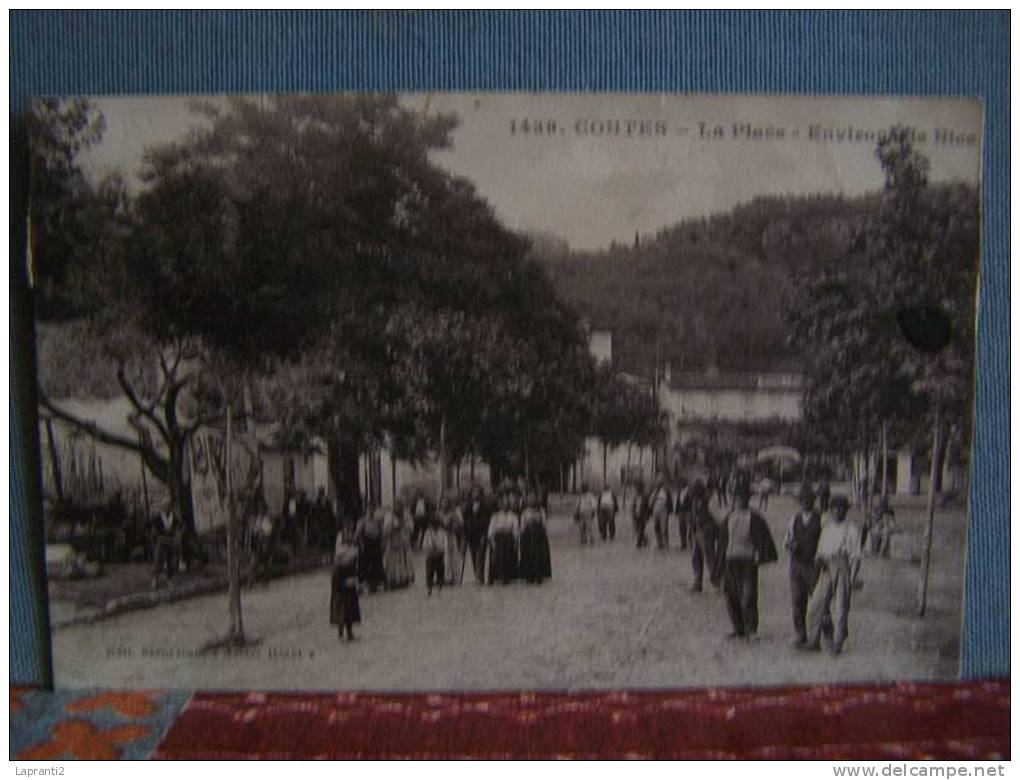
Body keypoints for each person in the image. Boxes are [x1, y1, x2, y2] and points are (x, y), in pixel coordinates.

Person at [717, 483, 778, 640]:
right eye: (736, 497)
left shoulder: (754, 517)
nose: (739, 500)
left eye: (743, 497)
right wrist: (720, 565)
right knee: (731, 595)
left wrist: (761, 555)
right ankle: (738, 628)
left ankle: (751, 629)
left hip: (747, 561)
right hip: (730, 560)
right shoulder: (728, 517)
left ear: (748, 498)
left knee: (748, 595)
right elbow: (722, 542)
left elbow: (764, 540)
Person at [803, 496, 861, 654]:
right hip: (826, 568)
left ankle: (838, 642)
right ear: (830, 510)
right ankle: (813, 640)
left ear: (846, 510)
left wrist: (853, 576)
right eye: (834, 508)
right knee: (815, 604)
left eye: (841, 508)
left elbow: (856, 556)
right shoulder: (827, 528)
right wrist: (819, 562)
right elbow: (820, 551)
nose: (837, 511)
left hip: (842, 566)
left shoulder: (851, 529)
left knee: (841, 607)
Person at [783, 489, 822, 646]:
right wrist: (791, 546)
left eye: (809, 499)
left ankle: (817, 635)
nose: (806, 502)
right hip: (796, 565)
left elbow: (826, 541)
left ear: (813, 501)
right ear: (799, 502)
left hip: (814, 564)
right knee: (797, 600)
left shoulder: (821, 519)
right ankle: (800, 633)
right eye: (803, 500)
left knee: (818, 601)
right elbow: (786, 541)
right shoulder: (794, 519)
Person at [330, 529, 361, 642]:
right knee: (343, 607)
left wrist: (356, 580)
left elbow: (356, 567)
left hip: (350, 581)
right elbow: (337, 570)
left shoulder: (353, 550)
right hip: (342, 582)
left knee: (351, 606)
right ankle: (341, 632)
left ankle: (349, 631)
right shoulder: (341, 552)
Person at [689, 481, 720, 592]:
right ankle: (698, 582)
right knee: (696, 557)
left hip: (706, 532)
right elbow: (694, 516)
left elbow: (717, 517)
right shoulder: (695, 501)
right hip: (698, 531)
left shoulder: (708, 501)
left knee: (710, 557)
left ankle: (718, 582)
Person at [518, 492, 552, 584]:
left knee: (538, 555)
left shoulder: (541, 511)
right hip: (528, 536)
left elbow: (544, 524)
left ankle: (539, 575)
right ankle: (529, 575)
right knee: (528, 555)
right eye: (529, 499)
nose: (531, 501)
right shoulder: (525, 512)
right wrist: (521, 535)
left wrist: (544, 534)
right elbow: (522, 525)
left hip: (538, 536)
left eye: (533, 498)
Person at [382, 499, 414, 589]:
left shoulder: (406, 515)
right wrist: (393, 527)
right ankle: (393, 579)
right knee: (392, 560)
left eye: (400, 505)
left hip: (403, 539)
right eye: (396, 505)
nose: (398, 507)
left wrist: (405, 527)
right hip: (392, 540)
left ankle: (404, 578)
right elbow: (386, 529)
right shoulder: (389, 516)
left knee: (404, 559)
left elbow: (411, 526)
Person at [462, 486, 491, 584]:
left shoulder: (485, 507)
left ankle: (480, 576)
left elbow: (487, 523)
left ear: (481, 494)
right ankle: (477, 575)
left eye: (477, 492)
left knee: (480, 556)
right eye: (474, 492)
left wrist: (485, 535)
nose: (476, 494)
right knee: (474, 556)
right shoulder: (468, 508)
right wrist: (465, 536)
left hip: (481, 535)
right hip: (471, 536)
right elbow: (465, 523)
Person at [488, 493, 519, 584]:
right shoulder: (495, 516)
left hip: (508, 540)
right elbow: (491, 528)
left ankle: (508, 577)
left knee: (508, 558)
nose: (504, 505)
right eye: (502, 503)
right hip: (498, 540)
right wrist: (492, 540)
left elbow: (515, 529)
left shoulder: (513, 516)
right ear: (499, 504)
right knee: (496, 558)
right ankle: (496, 576)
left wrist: (515, 540)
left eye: (506, 503)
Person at [354, 506, 386, 593]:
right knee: (365, 565)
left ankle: (375, 583)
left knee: (376, 564)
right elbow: (358, 534)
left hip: (375, 545)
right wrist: (361, 545)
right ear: (366, 511)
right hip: (366, 545)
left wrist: (382, 544)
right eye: (369, 511)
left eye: (372, 511)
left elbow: (381, 532)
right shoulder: (362, 521)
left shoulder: (376, 521)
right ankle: (362, 585)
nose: (371, 513)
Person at [150, 500, 181, 590]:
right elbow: (152, 528)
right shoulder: (158, 517)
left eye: (168, 506)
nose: (167, 508)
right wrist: (155, 535)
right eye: (165, 506)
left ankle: (170, 581)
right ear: (162, 508)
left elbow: (180, 526)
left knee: (171, 561)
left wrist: (177, 534)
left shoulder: (174, 516)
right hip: (161, 540)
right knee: (158, 561)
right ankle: (155, 579)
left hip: (171, 541)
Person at [437, 496, 465, 585]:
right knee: (441, 557)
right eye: (442, 502)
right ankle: (441, 577)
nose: (443, 504)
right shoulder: (437, 514)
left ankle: (451, 577)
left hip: (450, 536)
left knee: (450, 557)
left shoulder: (453, 514)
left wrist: (451, 527)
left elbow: (459, 526)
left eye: (445, 502)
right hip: (440, 536)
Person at [421, 515, 448, 596]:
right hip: (430, 555)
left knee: (440, 572)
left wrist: (441, 550)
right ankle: (429, 588)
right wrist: (430, 549)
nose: (435, 526)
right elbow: (424, 544)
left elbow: (445, 543)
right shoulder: (428, 532)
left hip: (440, 555)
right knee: (429, 573)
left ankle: (440, 588)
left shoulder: (443, 532)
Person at [649, 475, 673, 550]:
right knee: (656, 527)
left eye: (660, 481)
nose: (658, 483)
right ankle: (659, 543)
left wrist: (670, 510)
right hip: (655, 510)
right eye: (658, 481)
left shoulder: (666, 490)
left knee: (664, 527)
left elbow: (670, 501)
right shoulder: (654, 491)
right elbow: (650, 501)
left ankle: (666, 544)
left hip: (664, 510)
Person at [631, 481, 651, 548]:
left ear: (641, 488)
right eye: (636, 488)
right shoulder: (635, 496)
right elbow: (633, 505)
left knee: (641, 529)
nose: (637, 489)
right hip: (636, 514)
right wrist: (633, 513)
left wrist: (647, 516)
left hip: (643, 515)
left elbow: (648, 507)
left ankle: (638, 544)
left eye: (638, 488)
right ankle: (645, 540)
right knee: (636, 529)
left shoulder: (645, 496)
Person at [674, 477, 692, 549]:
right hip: (681, 511)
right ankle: (683, 543)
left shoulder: (690, 491)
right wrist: (676, 511)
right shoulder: (679, 491)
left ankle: (690, 543)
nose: (680, 485)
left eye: (681, 483)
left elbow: (691, 501)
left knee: (690, 527)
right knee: (682, 527)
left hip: (688, 511)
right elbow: (678, 502)